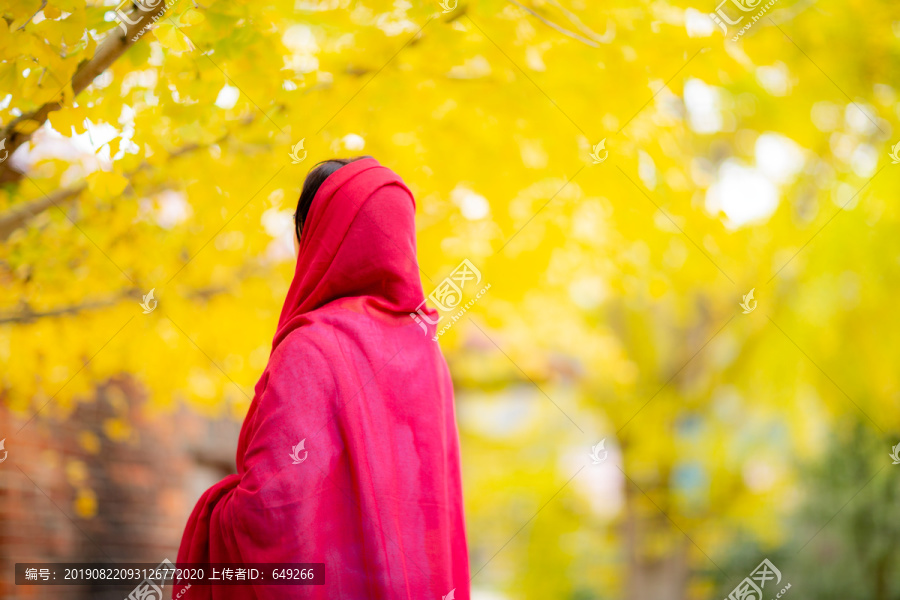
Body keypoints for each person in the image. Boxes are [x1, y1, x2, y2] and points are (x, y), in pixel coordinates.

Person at [174, 157, 470, 599]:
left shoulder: (312, 347)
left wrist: (211, 511)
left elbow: (270, 512)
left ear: (315, 237)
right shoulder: (427, 351)